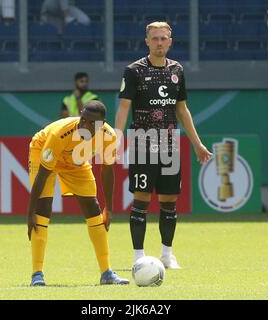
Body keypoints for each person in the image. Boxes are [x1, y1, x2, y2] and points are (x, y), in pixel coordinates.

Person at [115, 22, 213, 269]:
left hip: (170, 143)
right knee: (142, 199)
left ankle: (167, 255)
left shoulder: (177, 70)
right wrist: (117, 138)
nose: (159, 43)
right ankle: (139, 257)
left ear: (170, 41)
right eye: (155, 38)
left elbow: (182, 109)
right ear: (146, 41)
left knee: (169, 201)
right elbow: (124, 107)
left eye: (163, 38)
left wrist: (197, 144)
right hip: (142, 141)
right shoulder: (134, 71)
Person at [27, 100, 129, 286]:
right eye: (83, 119)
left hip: (75, 161)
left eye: (92, 123)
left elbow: (107, 171)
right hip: (42, 150)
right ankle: (37, 275)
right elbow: (42, 175)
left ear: (101, 124)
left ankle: (107, 273)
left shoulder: (109, 136)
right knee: (42, 208)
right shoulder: (61, 133)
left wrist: (110, 208)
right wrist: (30, 212)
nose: (85, 125)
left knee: (93, 208)